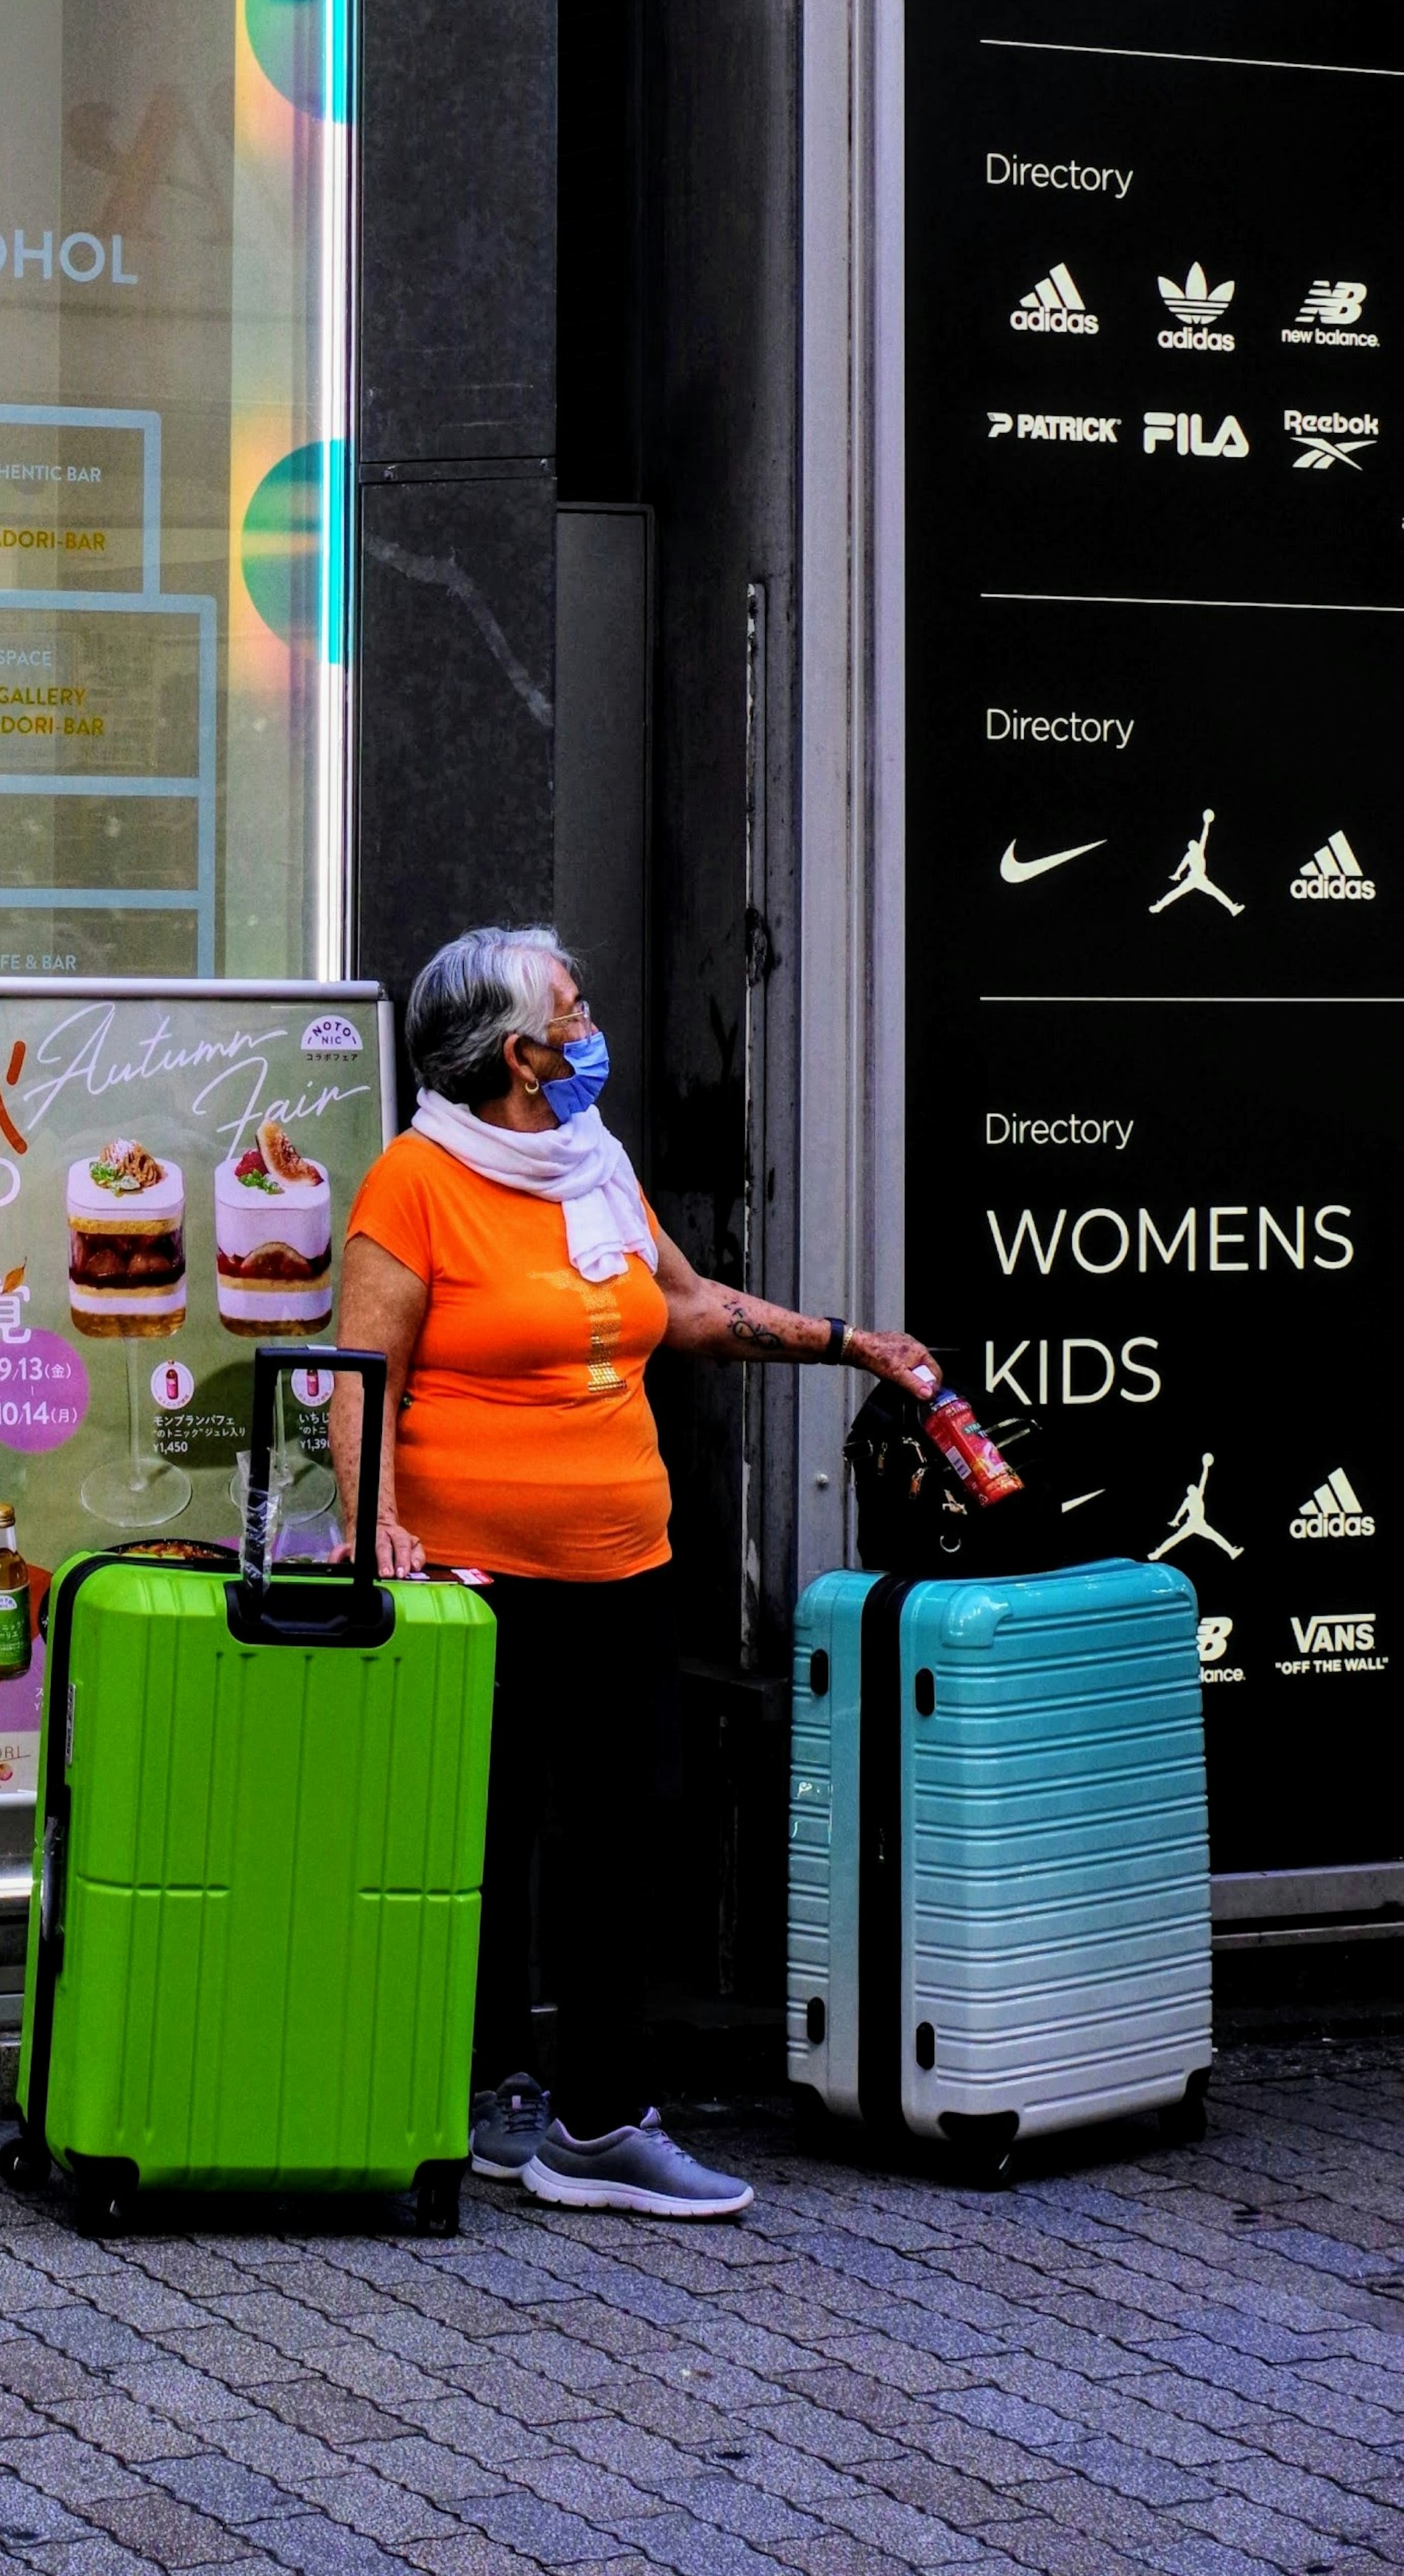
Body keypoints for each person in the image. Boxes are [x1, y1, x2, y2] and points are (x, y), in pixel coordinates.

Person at [329, 925, 937, 2220]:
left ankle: (596, 2127)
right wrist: (373, 1517)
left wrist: (849, 1343)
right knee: (480, 1836)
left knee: (618, 1832)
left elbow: (690, 1306)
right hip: (475, 1576)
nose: (594, 1026)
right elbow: (359, 1377)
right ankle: (484, 2090)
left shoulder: (590, 1164)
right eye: (577, 1009)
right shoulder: (415, 1184)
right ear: (519, 1054)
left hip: (623, 1565)